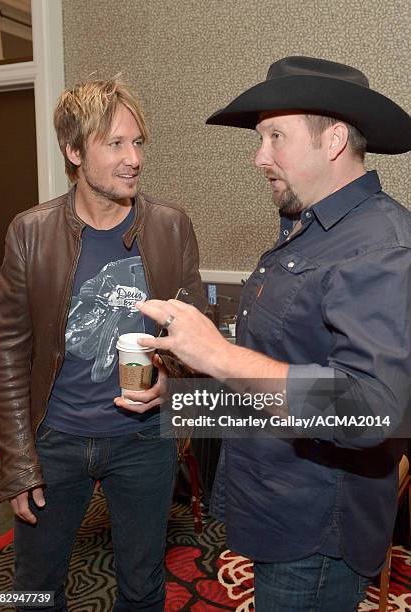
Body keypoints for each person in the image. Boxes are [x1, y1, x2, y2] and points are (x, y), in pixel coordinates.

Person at [135, 56, 411, 611]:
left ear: (333, 140)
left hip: (314, 530)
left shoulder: (379, 244)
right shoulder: (303, 230)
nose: (259, 156)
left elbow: (375, 410)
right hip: (271, 502)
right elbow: (280, 370)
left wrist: (216, 353)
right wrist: (181, 400)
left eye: (274, 137)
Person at [0, 78, 202, 611]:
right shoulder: (30, 232)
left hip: (142, 444)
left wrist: (170, 386)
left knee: (142, 584)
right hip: (55, 440)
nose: (134, 158)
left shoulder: (171, 227)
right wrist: (18, 458)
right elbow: (11, 353)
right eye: (115, 144)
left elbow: (190, 337)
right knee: (35, 587)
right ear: (73, 150)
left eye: (138, 143)